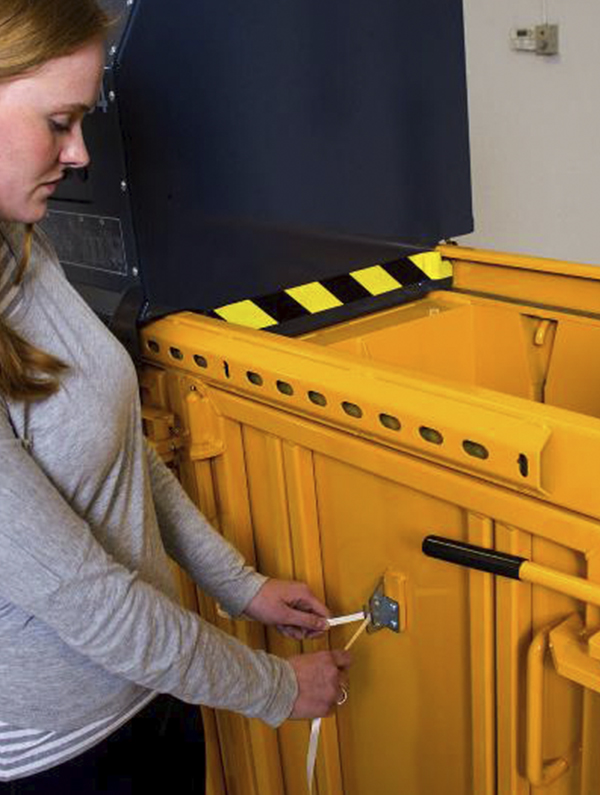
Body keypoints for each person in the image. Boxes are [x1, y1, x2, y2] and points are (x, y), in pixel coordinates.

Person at [0, 1, 352, 791]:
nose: (80, 153)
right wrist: (276, 687)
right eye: (58, 122)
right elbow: (87, 601)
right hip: (57, 758)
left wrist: (240, 584)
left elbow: (118, 450)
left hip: (152, 693)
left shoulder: (22, 249)